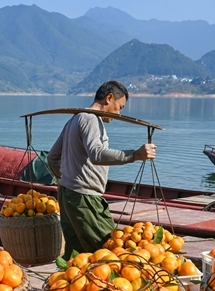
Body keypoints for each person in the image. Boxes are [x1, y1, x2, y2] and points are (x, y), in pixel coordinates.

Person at [47, 80, 156, 259]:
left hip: (67, 195)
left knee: (75, 256)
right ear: (109, 98)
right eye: (119, 107)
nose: (119, 113)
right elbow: (97, 154)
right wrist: (135, 155)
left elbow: (52, 157)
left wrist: (66, 181)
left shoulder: (75, 118)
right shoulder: (90, 119)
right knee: (110, 252)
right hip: (85, 199)